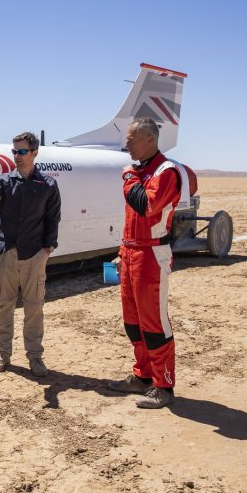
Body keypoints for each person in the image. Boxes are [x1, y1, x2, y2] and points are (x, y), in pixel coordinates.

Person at [0, 131, 61, 377]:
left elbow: (53, 218)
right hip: (8, 253)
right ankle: (2, 354)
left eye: (22, 151)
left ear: (34, 153)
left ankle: (35, 357)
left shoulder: (48, 184)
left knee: (34, 308)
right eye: (14, 151)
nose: (17, 156)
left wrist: (47, 250)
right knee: (4, 306)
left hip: (34, 255)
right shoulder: (5, 181)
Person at [107, 118, 182, 409]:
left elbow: (146, 207)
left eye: (132, 139)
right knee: (133, 322)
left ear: (150, 139)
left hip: (152, 257)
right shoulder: (140, 171)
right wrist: (122, 250)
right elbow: (133, 220)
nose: (127, 145)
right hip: (131, 253)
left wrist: (128, 178)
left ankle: (163, 385)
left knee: (154, 323)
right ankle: (143, 376)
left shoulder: (166, 172)